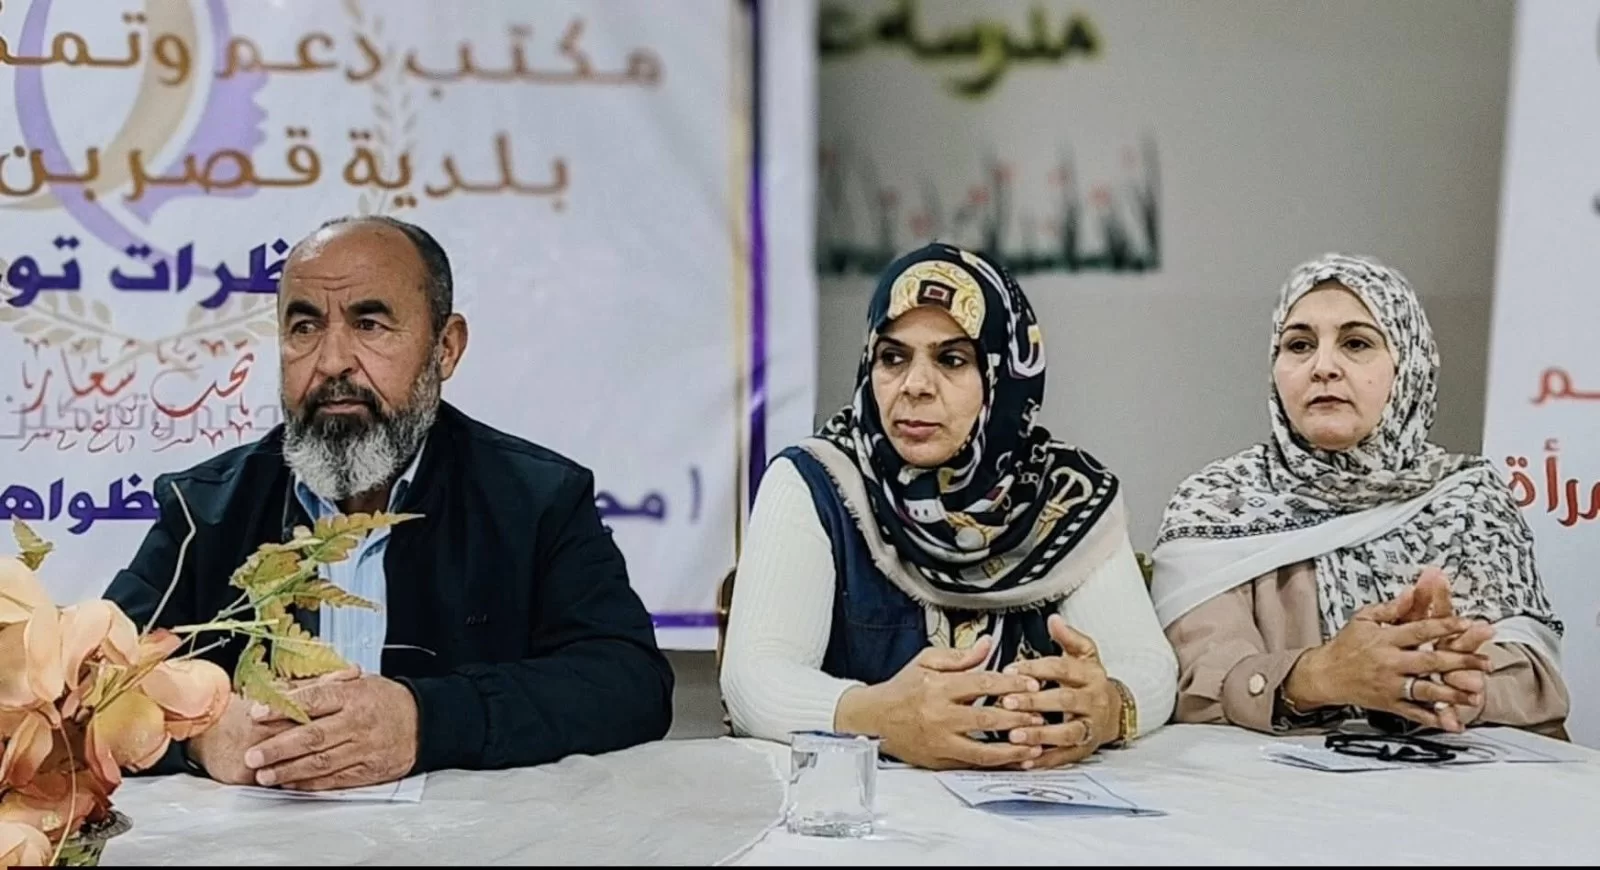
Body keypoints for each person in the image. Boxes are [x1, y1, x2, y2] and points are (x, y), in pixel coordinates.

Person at [105, 215, 674, 790]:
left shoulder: (537, 501)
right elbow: (89, 687)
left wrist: (426, 720)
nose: (332, 361)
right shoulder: (204, 511)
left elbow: (629, 682)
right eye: (304, 327)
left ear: (445, 348)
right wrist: (202, 736)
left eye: (369, 324)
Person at [720, 243, 1177, 771]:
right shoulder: (818, 480)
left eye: (952, 360)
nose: (914, 386)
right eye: (893, 358)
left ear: (1004, 376)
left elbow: (1148, 665)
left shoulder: (1064, 494)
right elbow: (753, 679)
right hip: (863, 808)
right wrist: (877, 718)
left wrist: (1109, 706)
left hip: (1037, 804)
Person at [1152, 252, 1568, 738]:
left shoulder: (1470, 499)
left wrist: (1436, 677)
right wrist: (1319, 676)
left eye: (1356, 343)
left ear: (1408, 365)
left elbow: (1534, 681)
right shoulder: (1217, 502)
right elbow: (1202, 684)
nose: (1323, 367)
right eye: (1299, 345)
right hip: (1272, 782)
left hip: (1455, 776)